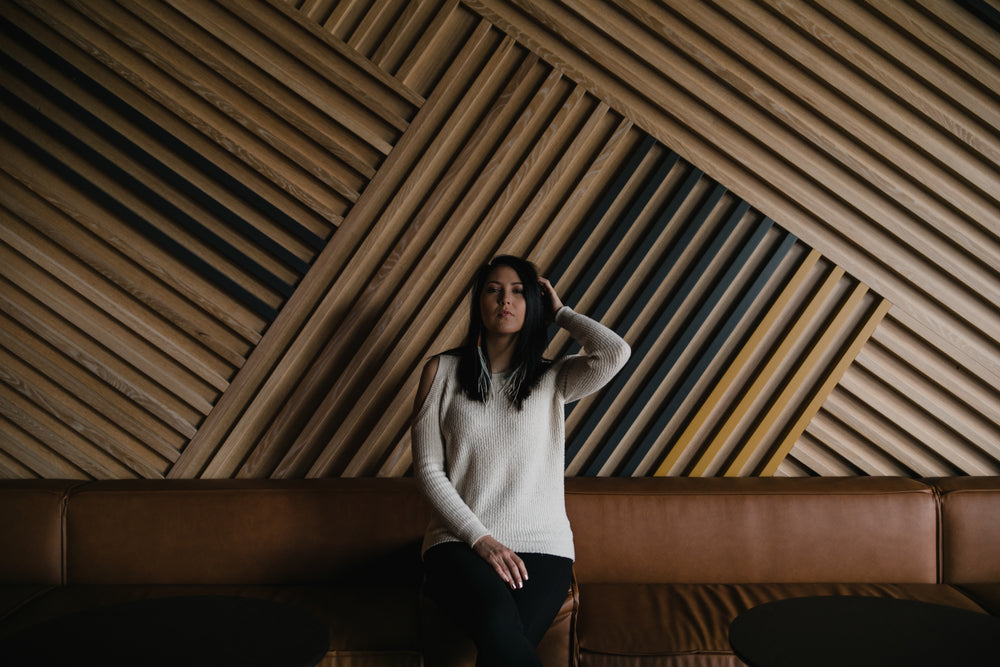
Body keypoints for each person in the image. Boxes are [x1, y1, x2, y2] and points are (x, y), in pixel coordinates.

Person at [411, 255, 630, 666]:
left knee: (502, 650)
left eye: (517, 292)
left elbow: (615, 352)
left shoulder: (554, 378)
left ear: (533, 303)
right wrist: (482, 539)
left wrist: (562, 313)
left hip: (543, 548)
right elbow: (427, 470)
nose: (504, 300)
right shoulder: (440, 371)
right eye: (493, 290)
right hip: (459, 543)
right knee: (497, 622)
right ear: (478, 302)